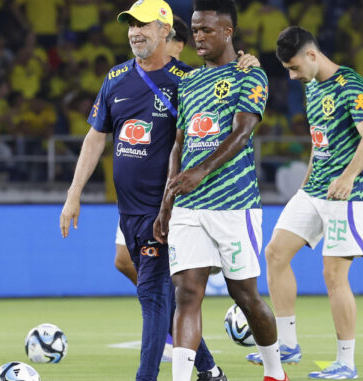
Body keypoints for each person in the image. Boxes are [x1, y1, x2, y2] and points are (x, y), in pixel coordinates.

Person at [60, 1, 258, 379]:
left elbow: (228, 95)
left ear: (166, 31)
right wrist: (74, 193)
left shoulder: (189, 80)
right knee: (158, 295)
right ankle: (209, 370)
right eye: (131, 26)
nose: (134, 32)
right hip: (128, 212)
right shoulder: (115, 77)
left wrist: (248, 64)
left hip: (166, 211)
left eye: (143, 25)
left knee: (152, 296)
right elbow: (94, 137)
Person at [153, 1, 287, 380]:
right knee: (187, 295)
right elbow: (179, 144)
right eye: (195, 29)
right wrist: (168, 201)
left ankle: (275, 372)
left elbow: (242, 132)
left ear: (228, 32)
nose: (198, 36)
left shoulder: (251, 76)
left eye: (207, 30)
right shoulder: (190, 82)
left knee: (244, 295)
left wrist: (201, 171)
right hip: (188, 207)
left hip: (235, 204)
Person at [246, 26, 363, 380]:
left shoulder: (351, 84)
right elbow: (318, 143)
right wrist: (304, 187)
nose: (292, 76)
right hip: (315, 190)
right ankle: (287, 344)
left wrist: (348, 176)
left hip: (349, 196)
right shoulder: (312, 87)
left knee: (334, 275)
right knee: (275, 253)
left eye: (293, 68)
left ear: (311, 55)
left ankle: (346, 363)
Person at [113, 14, 191, 289]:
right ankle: (164, 307)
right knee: (122, 260)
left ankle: (167, 313)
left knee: (171, 272)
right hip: (133, 199)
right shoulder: (125, 76)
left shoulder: (187, 80)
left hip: (165, 192)